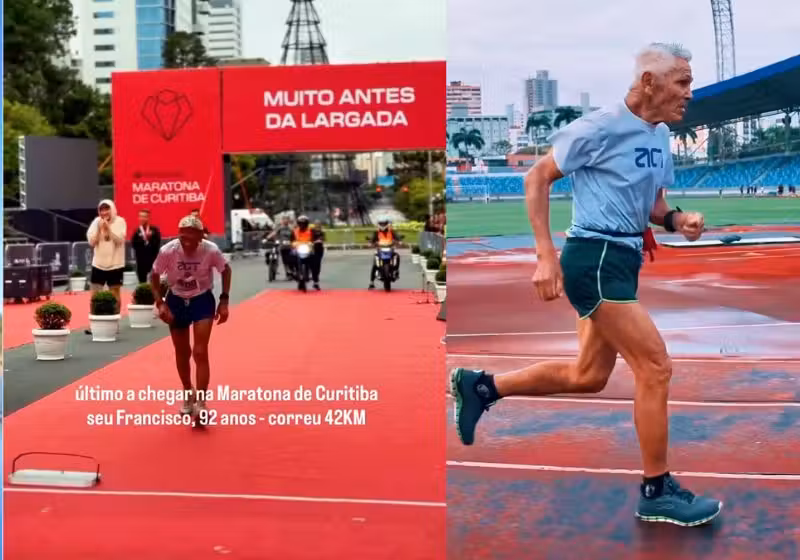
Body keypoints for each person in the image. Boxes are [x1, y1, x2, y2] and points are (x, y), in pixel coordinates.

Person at [450, 43, 722, 527]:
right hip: (592, 259)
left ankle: (482, 387)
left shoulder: (660, 139)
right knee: (655, 366)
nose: (689, 93)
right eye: (681, 82)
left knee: (589, 375)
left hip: (622, 260)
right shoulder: (599, 127)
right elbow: (537, 178)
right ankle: (656, 491)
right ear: (648, 83)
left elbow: (655, 206)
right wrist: (545, 256)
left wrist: (679, 219)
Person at [150, 215, 231, 420]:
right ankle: (188, 392)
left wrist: (224, 300)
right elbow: (154, 275)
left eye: (191, 238)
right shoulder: (168, 251)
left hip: (202, 299)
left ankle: (202, 403)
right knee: (182, 351)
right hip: (176, 300)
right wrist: (160, 303)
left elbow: (225, 269)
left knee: (200, 352)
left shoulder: (210, 250)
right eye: (183, 237)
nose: (186, 242)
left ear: (200, 237)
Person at [85, 199, 127, 334]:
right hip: (98, 264)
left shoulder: (120, 221)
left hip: (116, 264)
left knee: (115, 294)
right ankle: (94, 324)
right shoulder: (96, 222)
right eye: (102, 210)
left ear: (112, 209)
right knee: (94, 295)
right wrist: (99, 228)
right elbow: (91, 242)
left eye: (107, 209)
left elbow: (120, 240)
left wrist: (108, 228)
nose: (104, 212)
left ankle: (114, 323)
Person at [289, 215, 322, 290]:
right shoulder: (295, 231)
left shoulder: (311, 231)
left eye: (304, 223)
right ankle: (291, 271)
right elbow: (291, 240)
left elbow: (317, 238)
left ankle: (315, 281)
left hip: (308, 249)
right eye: (300, 223)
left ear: (307, 224)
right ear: (298, 224)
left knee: (315, 263)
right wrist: (293, 244)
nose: (302, 225)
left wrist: (317, 241)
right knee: (290, 256)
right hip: (298, 248)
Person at [368, 218, 401, 289]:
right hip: (380, 249)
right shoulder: (376, 232)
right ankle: (371, 282)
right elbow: (372, 239)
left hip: (390, 249)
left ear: (387, 224)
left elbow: (397, 237)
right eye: (381, 224)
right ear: (379, 224)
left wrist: (399, 241)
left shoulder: (391, 231)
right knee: (375, 264)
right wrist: (370, 243)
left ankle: (396, 271)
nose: (383, 225)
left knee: (397, 256)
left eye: (384, 224)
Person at [131, 209, 162, 283]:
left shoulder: (155, 230)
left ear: (148, 218)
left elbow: (157, 243)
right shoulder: (137, 231)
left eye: (144, 216)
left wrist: (149, 239)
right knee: (142, 281)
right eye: (141, 216)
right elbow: (134, 244)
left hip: (153, 259)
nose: (142, 218)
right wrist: (143, 240)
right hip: (141, 259)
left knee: (155, 281)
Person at [310, 220, 326, 290]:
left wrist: (320, 240)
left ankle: (315, 279)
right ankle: (315, 281)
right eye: (316, 224)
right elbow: (309, 239)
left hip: (320, 249)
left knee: (318, 265)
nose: (317, 225)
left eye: (319, 224)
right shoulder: (311, 231)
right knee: (314, 265)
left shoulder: (322, 232)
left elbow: (323, 239)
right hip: (313, 249)